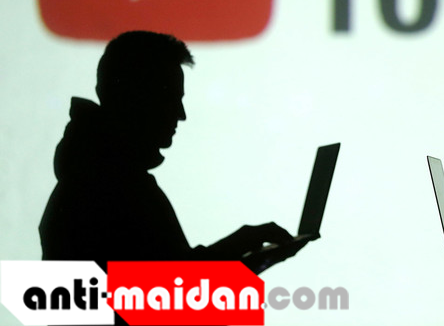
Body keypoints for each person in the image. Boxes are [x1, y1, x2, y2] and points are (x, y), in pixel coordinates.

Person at [39, 31, 305, 276]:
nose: (181, 114)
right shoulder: (116, 187)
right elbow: (171, 294)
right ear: (133, 97)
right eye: (169, 98)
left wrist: (242, 248)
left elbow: (166, 282)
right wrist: (247, 253)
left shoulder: (92, 179)